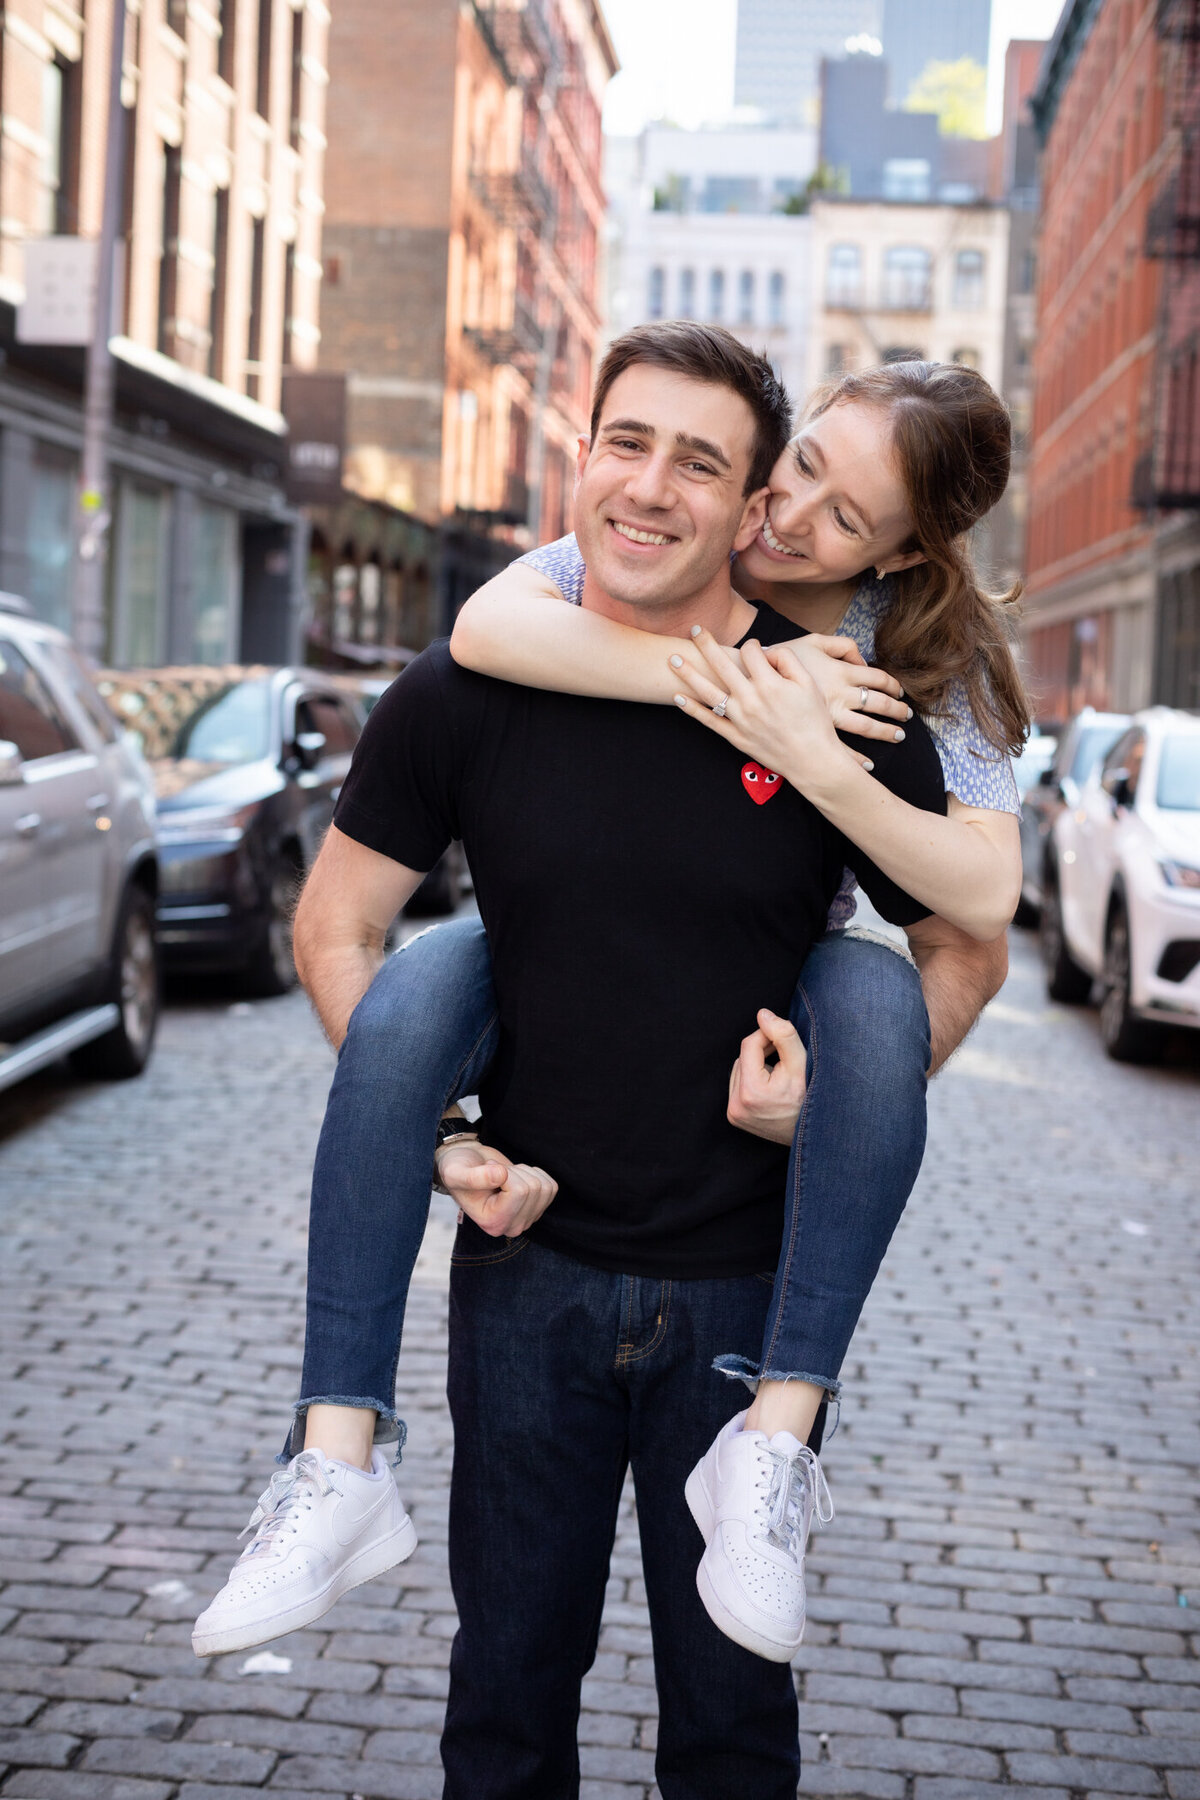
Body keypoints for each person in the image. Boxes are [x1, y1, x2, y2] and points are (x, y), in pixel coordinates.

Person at [192, 342, 1022, 1694]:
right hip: (533, 1268)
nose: (786, 518)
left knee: (871, 988)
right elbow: (476, 646)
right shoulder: (552, 608)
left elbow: (977, 918)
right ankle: (332, 1458)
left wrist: (809, 746)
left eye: (834, 510)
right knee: (423, 984)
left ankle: (777, 1440)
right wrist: (737, 684)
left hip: (740, 1244)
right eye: (802, 468)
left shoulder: (906, 678)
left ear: (903, 555)